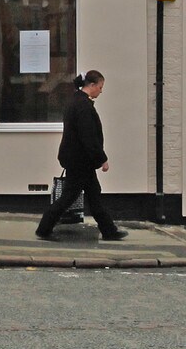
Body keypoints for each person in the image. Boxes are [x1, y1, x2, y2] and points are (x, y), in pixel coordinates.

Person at [36, 70, 127, 241]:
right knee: (72, 197)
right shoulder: (83, 106)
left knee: (92, 195)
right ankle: (44, 229)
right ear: (91, 85)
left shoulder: (75, 101)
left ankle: (109, 230)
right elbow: (88, 136)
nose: (101, 91)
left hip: (76, 159)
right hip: (80, 160)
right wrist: (102, 159)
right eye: (100, 87)